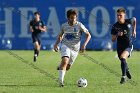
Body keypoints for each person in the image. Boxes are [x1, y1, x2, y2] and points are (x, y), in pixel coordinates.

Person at [54, 9, 91, 87]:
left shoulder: (79, 25)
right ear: (68, 18)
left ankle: (61, 66)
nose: (73, 19)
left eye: (75, 18)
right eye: (71, 18)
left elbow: (89, 35)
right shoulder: (64, 26)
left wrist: (84, 45)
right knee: (65, 61)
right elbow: (60, 36)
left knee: (67, 67)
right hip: (65, 45)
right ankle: (61, 82)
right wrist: (56, 44)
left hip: (75, 49)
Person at [111, 8, 136, 84]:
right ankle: (127, 69)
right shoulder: (115, 26)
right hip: (119, 47)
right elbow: (112, 39)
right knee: (122, 59)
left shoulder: (129, 21)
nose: (119, 17)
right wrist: (117, 34)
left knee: (123, 57)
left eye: (120, 15)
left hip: (128, 45)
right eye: (118, 15)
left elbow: (134, 19)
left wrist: (134, 30)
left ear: (124, 15)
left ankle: (123, 77)